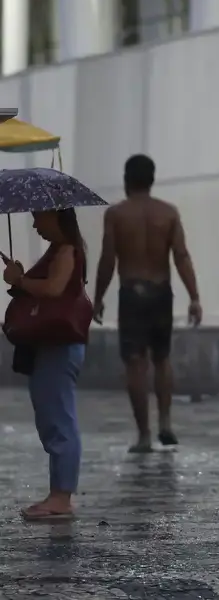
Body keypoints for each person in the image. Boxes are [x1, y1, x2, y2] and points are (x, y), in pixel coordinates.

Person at [93, 154, 202, 453]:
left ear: (126, 180)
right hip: (161, 292)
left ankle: (144, 435)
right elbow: (181, 256)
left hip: (131, 293)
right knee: (162, 358)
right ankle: (166, 421)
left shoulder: (116, 215)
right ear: (152, 180)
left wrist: (98, 297)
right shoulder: (168, 213)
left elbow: (107, 259)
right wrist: (194, 297)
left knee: (135, 363)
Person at [3, 209, 88, 520]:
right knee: (51, 417)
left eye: (39, 216)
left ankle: (62, 497)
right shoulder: (58, 251)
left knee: (58, 418)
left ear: (57, 215)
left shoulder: (67, 250)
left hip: (59, 346)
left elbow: (54, 289)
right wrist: (21, 278)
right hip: (51, 346)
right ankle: (57, 494)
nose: (35, 224)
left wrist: (21, 280)